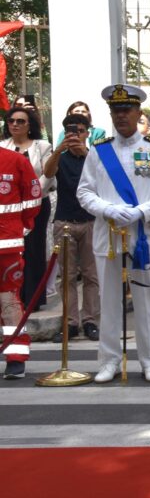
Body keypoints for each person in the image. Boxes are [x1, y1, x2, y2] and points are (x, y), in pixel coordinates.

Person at [77, 84, 150, 383]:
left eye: (126, 110)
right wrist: (107, 209)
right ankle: (108, 360)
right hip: (108, 234)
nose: (121, 116)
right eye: (115, 111)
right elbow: (84, 192)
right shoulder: (99, 151)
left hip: (142, 234)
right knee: (109, 300)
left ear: (138, 113)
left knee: (145, 301)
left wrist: (140, 211)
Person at [42, 113, 100, 342]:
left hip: (90, 222)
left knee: (91, 275)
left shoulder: (94, 156)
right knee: (66, 276)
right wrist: (59, 150)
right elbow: (47, 174)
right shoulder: (60, 156)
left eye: (79, 131)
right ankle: (70, 323)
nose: (75, 135)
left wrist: (84, 152)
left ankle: (90, 321)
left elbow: (103, 176)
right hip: (64, 221)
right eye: (70, 131)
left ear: (87, 133)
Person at [1, 105, 53, 310]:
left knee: (33, 250)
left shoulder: (42, 146)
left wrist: (30, 194)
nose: (15, 124)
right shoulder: (2, 146)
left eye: (20, 121)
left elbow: (48, 175)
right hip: (7, 210)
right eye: (12, 121)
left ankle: (33, 298)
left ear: (29, 125)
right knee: (10, 254)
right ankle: (11, 297)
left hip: (37, 204)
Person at [0, 146, 42, 379]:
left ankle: (15, 357)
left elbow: (33, 196)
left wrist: (23, 226)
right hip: (9, 242)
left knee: (8, 301)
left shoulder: (15, 161)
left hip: (7, 246)